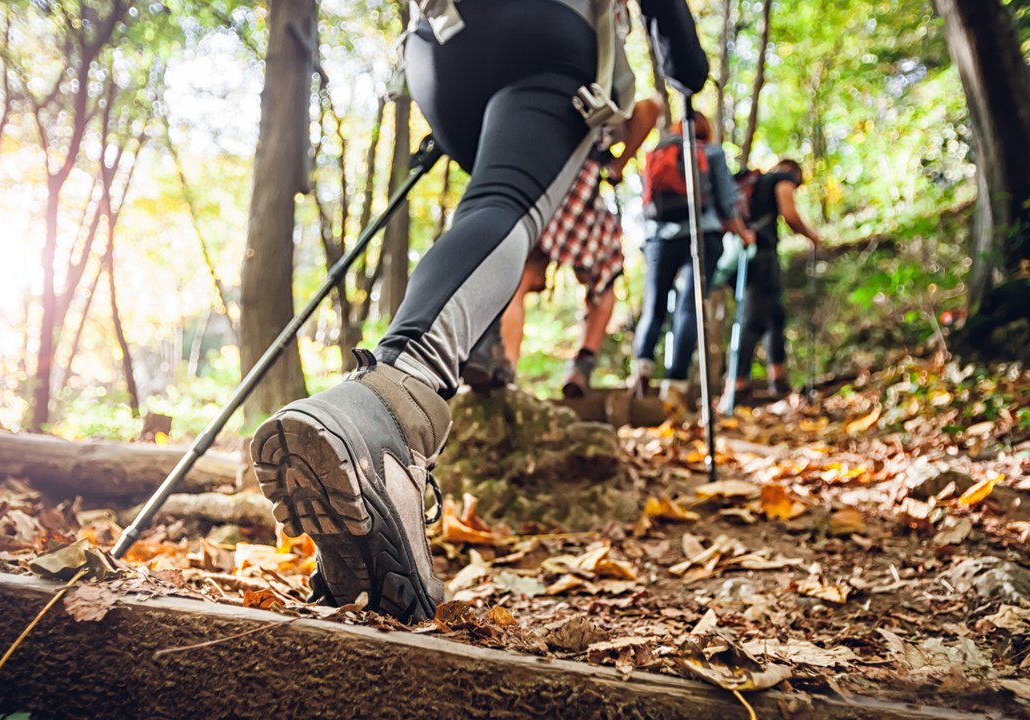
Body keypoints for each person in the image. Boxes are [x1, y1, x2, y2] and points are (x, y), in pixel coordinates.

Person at [250, 0, 708, 622]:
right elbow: (674, 40)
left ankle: (471, 361)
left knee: (489, 203)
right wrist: (687, 69)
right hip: (545, 34)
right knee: (503, 204)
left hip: (437, 50)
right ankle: (394, 408)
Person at [494, 96, 663, 398]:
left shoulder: (540, 101)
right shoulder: (601, 97)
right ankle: (582, 364)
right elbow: (652, 107)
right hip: (581, 191)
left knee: (518, 282)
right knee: (604, 279)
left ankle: (506, 371)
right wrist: (619, 164)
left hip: (538, 186)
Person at [630, 113, 747, 406]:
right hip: (702, 234)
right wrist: (743, 234)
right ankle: (675, 384)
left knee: (654, 306)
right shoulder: (711, 152)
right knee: (689, 307)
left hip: (659, 238)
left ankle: (641, 367)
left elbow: (646, 204)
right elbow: (726, 202)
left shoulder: (659, 152)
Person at [726, 158, 822, 400]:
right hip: (761, 255)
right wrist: (811, 235)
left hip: (744, 256)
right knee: (753, 319)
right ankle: (737, 384)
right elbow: (789, 213)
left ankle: (778, 380)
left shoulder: (754, 183)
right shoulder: (782, 178)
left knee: (774, 316)